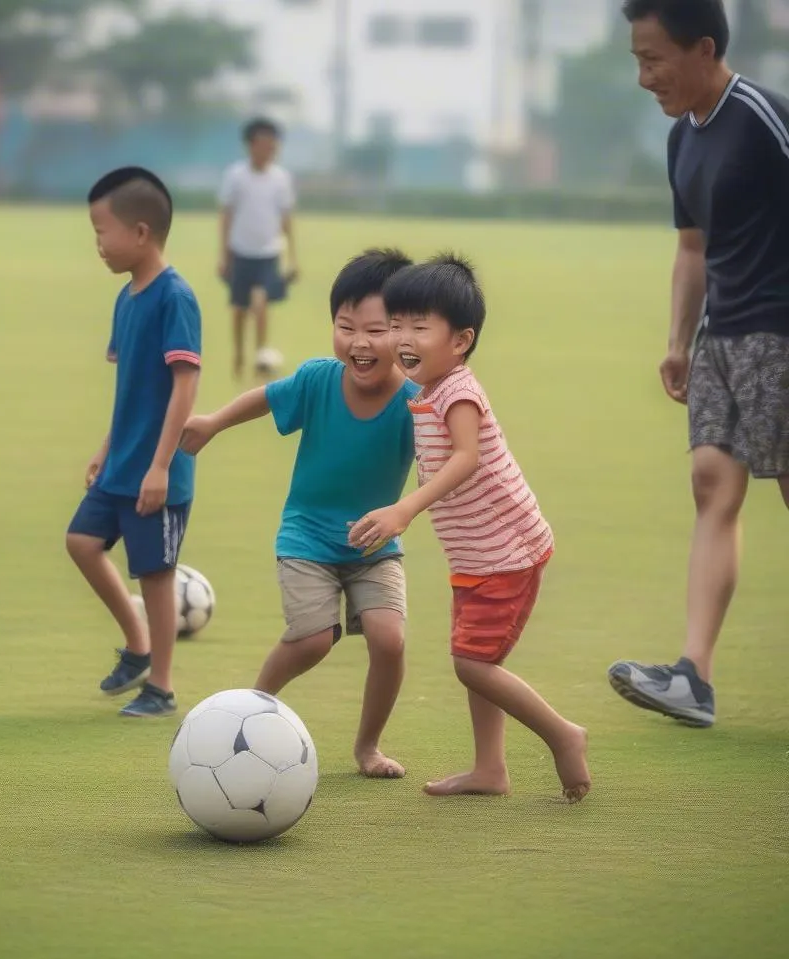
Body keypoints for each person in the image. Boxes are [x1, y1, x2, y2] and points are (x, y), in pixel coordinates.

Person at [348, 256, 591, 802]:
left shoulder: (458, 391)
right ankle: (490, 770)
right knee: (480, 657)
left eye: (419, 326)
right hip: (477, 557)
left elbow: (465, 459)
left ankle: (562, 735)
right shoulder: (428, 389)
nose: (402, 338)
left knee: (473, 664)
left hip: (505, 551)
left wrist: (405, 508)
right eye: (397, 324)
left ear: (460, 340)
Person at [608, 0, 789, 728]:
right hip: (721, 339)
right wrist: (679, 340)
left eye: (653, 59)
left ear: (704, 47)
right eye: (637, 61)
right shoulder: (684, 140)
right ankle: (694, 677)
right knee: (712, 485)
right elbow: (692, 249)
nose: (645, 77)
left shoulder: (765, 119)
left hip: (779, 332)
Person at [181, 249, 416, 777]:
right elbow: (265, 397)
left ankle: (367, 747)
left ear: (406, 334)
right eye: (345, 326)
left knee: (390, 639)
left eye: (376, 330)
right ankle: (248, 708)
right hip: (306, 537)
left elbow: (442, 465)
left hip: (375, 545)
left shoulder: (417, 402)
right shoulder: (317, 380)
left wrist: (407, 510)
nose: (358, 342)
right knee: (311, 639)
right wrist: (214, 422)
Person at [66, 167, 202, 718]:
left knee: (157, 576)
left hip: (155, 473)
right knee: (80, 542)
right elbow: (131, 390)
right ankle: (138, 643)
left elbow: (184, 386)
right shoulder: (127, 299)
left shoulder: (176, 298)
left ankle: (162, 687)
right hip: (122, 463)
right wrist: (106, 446)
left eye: (103, 231)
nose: (98, 243)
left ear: (141, 233)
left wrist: (161, 466)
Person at [218, 118, 298, 379]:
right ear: (251, 145)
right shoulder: (236, 176)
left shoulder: (281, 179)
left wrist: (292, 257)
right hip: (241, 251)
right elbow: (227, 216)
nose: (269, 151)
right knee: (240, 308)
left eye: (273, 146)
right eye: (264, 145)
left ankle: (261, 354)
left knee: (261, 301)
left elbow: (286, 219)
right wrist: (224, 255)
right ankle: (239, 354)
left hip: (269, 252)